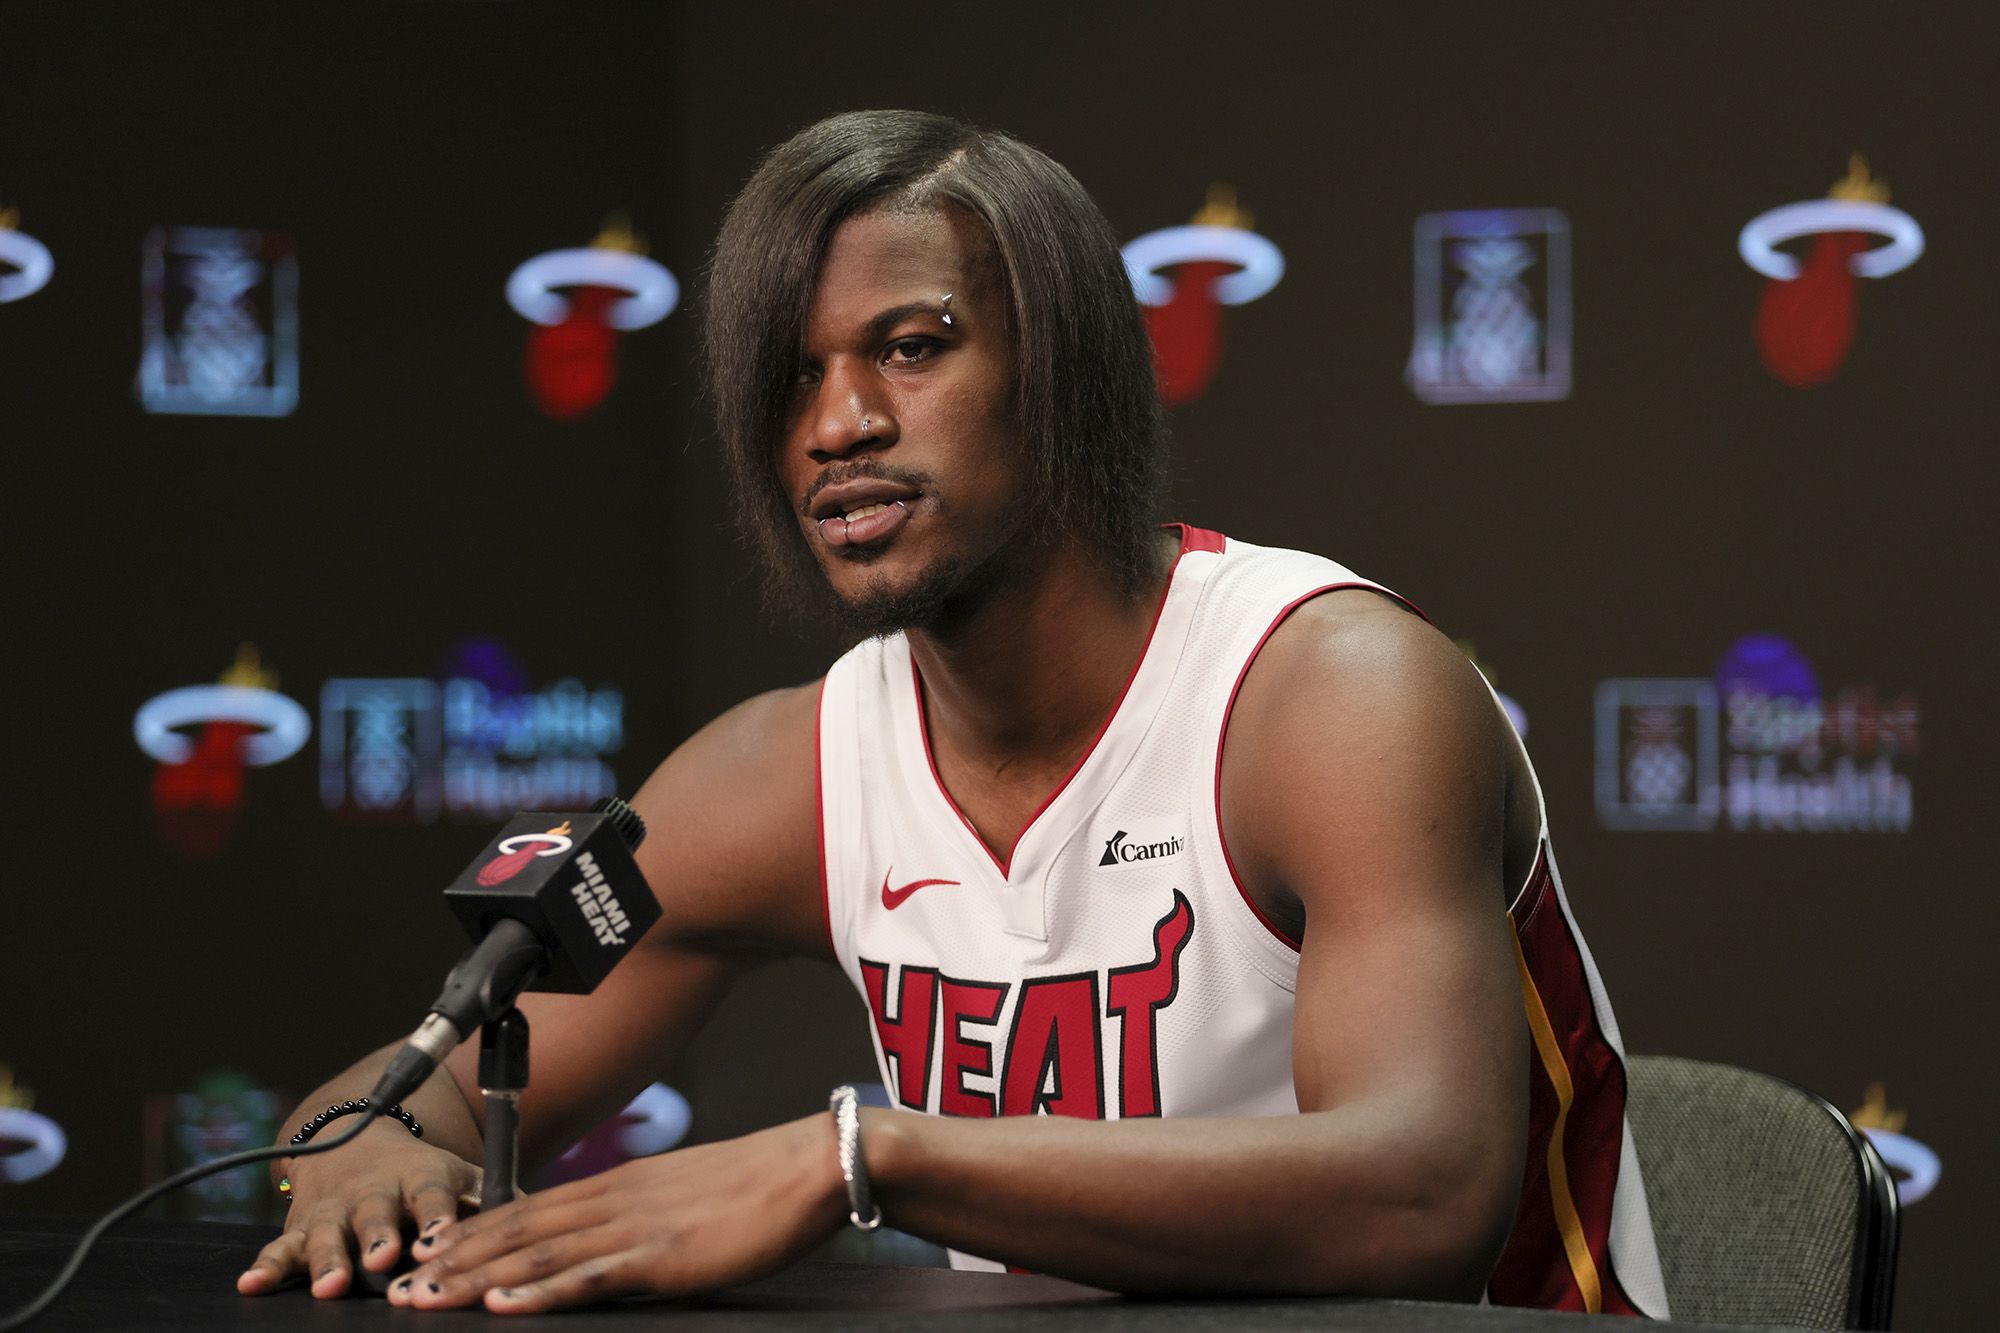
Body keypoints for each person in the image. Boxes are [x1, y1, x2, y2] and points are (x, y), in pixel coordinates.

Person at [237, 109, 1668, 1318]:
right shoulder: (798, 769)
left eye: (911, 348)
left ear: (1062, 373)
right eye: (792, 373)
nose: (836, 421)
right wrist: (372, 1168)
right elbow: (368, 1113)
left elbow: (1424, 1192)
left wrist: (861, 1156)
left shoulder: (1325, 692)